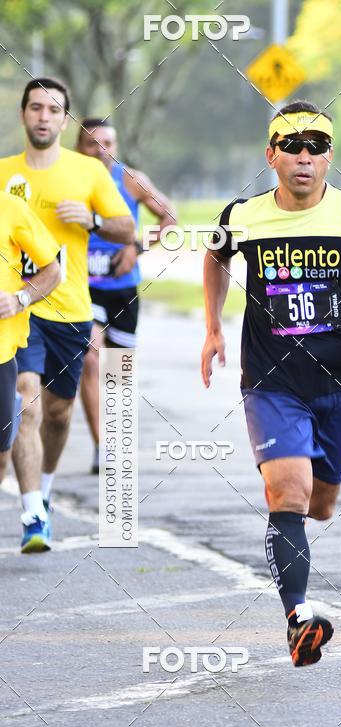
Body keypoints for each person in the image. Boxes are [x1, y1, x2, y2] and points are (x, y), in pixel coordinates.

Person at [201, 100, 341, 667]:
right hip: (271, 382)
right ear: (271, 155)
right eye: (292, 145)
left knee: (319, 506)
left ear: (330, 157)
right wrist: (213, 328)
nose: (304, 156)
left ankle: (298, 561)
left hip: (340, 382)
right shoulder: (242, 215)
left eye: (317, 146)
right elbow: (215, 260)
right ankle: (299, 619)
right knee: (286, 494)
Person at [0, 78, 135, 551]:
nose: (42, 116)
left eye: (53, 110)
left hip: (71, 308)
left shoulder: (88, 171)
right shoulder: (3, 173)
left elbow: (126, 228)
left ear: (64, 120)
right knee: (25, 394)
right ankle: (33, 511)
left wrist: (93, 220)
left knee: (58, 414)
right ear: (23, 115)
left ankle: (46, 489)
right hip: (19, 307)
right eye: (35, 107)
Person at [77, 118, 177, 473]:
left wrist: (135, 248)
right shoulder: (68, 180)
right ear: (79, 148)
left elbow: (169, 217)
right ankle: (101, 446)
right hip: (81, 287)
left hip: (122, 288)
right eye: (93, 143)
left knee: (118, 371)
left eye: (108, 143)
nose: (102, 150)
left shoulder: (131, 180)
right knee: (91, 357)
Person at [0, 193, 61, 527]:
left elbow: (53, 270)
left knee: (0, 457)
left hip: (3, 350)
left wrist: (20, 299)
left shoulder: (10, 208)